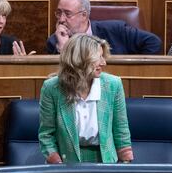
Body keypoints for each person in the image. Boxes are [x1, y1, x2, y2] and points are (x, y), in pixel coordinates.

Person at [39, 34, 133, 163]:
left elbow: (121, 130)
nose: (103, 62)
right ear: (79, 59)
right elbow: (46, 135)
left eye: (102, 57)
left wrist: (127, 164)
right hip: (66, 164)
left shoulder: (113, 85)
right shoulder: (52, 88)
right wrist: (57, 165)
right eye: (98, 57)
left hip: (105, 161)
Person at [46, 0, 161, 55]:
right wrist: (64, 49)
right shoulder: (54, 42)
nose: (61, 19)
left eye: (67, 14)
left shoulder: (116, 30)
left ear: (84, 15)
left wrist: (132, 71)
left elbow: (153, 42)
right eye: (59, 13)